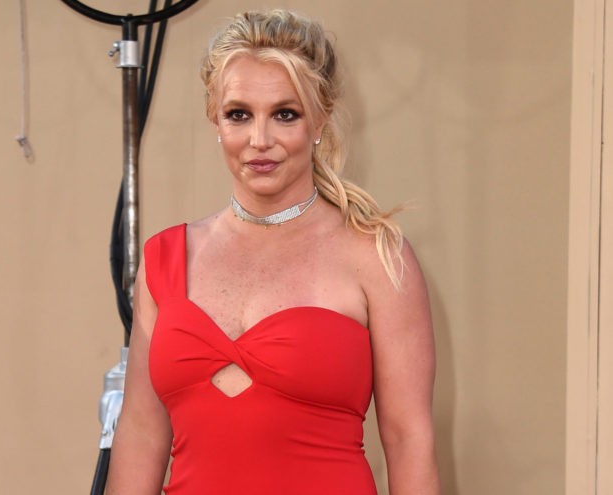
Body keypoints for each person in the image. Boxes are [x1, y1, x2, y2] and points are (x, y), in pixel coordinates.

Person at [106, 9, 439, 495]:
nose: (259, 140)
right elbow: (140, 436)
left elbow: (410, 441)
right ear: (215, 119)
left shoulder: (377, 257)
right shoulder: (165, 260)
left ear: (319, 119)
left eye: (285, 114)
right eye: (238, 114)